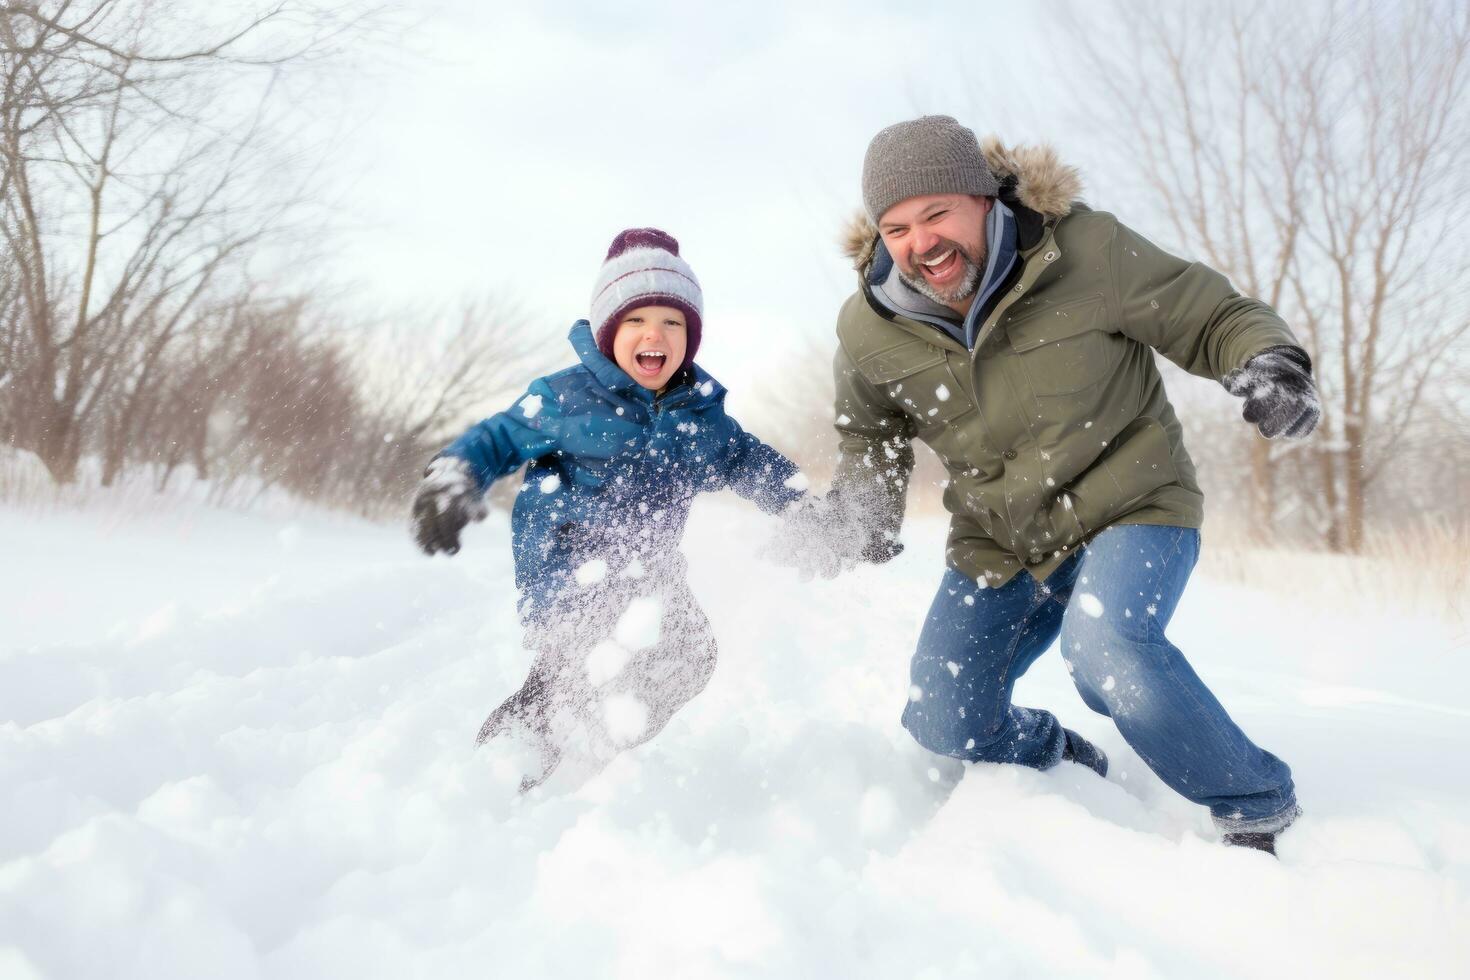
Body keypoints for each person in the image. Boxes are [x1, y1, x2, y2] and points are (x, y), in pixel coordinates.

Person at [784, 115, 1320, 855]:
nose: (921, 243)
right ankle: (1052, 751)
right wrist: (854, 520)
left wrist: (1269, 363)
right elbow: (870, 444)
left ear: (984, 200)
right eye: (898, 227)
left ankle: (1255, 803)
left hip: (1131, 504)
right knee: (942, 717)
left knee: (1107, 651)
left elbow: (1210, 314)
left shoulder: (1083, 250)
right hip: (1002, 543)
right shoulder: (869, 326)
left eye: (938, 213)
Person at [411, 228, 808, 792]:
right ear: (607, 333)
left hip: (651, 570)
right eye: (636, 321)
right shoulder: (562, 397)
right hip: (569, 566)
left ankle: (599, 738)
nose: (655, 334)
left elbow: (749, 462)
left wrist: (809, 512)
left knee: (691, 656)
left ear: (690, 338)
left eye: (673, 322)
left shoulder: (699, 416)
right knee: (581, 660)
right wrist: (456, 475)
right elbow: (496, 438)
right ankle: (509, 758)